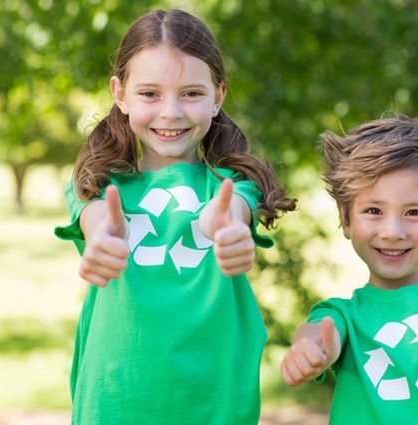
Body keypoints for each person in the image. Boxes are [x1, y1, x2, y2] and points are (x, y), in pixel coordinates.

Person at [54, 9, 296, 425]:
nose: (171, 112)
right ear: (120, 93)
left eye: (191, 93)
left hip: (214, 404)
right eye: (150, 93)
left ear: (218, 96)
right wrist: (102, 238)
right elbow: (95, 217)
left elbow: (230, 212)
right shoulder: (95, 185)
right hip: (113, 403)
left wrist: (227, 227)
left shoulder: (234, 185)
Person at [280, 114, 418, 424]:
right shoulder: (344, 315)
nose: (392, 231)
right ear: (345, 220)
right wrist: (309, 349)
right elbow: (319, 332)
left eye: (413, 212)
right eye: (373, 211)